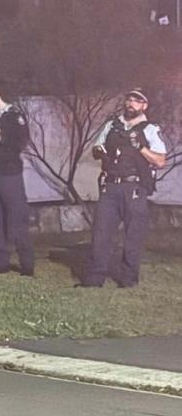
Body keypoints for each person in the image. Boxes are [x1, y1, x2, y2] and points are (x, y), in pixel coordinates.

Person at [79, 89, 166, 288]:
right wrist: (99, 151)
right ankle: (94, 279)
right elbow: (96, 148)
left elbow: (160, 161)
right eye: (129, 99)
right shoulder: (112, 126)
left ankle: (128, 280)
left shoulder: (150, 129)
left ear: (144, 106)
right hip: (110, 186)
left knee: (133, 236)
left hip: (134, 188)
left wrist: (140, 148)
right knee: (101, 233)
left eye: (137, 100)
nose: (131, 103)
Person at [0, 86, 34, 276]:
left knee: (17, 218)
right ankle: (0, 262)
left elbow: (20, 142)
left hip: (10, 174)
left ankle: (27, 264)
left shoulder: (14, 116)